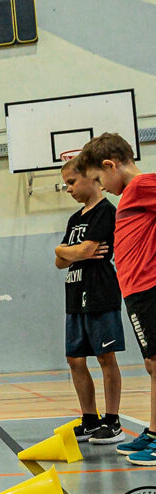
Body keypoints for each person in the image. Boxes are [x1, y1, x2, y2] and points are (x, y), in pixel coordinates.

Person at [77, 133, 156, 465]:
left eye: (98, 178)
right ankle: (153, 432)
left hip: (150, 288)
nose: (101, 186)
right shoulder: (132, 196)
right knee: (152, 364)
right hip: (137, 292)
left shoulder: (140, 186)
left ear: (110, 165)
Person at [54, 157, 125, 444]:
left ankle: (113, 420)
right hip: (74, 293)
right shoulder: (75, 219)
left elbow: (88, 249)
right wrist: (68, 250)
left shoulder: (106, 212)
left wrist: (72, 250)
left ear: (92, 178)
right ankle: (90, 419)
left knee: (105, 356)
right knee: (74, 359)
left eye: (71, 182)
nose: (68, 189)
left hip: (99, 292)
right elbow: (60, 260)